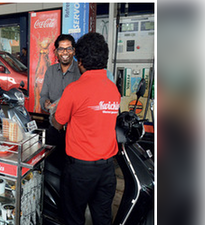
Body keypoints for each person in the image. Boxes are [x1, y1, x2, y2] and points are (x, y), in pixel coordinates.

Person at [52, 32, 121, 225]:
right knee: (103, 218)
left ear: (80, 61)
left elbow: (58, 122)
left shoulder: (74, 89)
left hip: (80, 170)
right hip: (107, 169)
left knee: (73, 218)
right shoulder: (113, 90)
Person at [39, 34, 81, 162]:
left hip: (75, 132)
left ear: (74, 51)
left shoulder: (81, 71)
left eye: (68, 48)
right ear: (56, 52)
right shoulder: (50, 71)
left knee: (72, 167)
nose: (65, 52)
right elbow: (43, 95)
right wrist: (45, 103)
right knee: (52, 165)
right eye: (61, 49)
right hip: (54, 129)